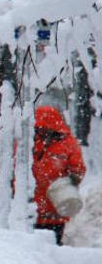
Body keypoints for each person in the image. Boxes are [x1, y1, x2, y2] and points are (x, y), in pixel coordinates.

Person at [32, 105, 86, 245]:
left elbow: (78, 167)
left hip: (58, 198)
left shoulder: (68, 144)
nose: (42, 131)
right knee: (32, 243)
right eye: (39, 127)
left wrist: (75, 176)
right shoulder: (31, 142)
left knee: (53, 240)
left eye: (45, 127)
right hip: (33, 202)